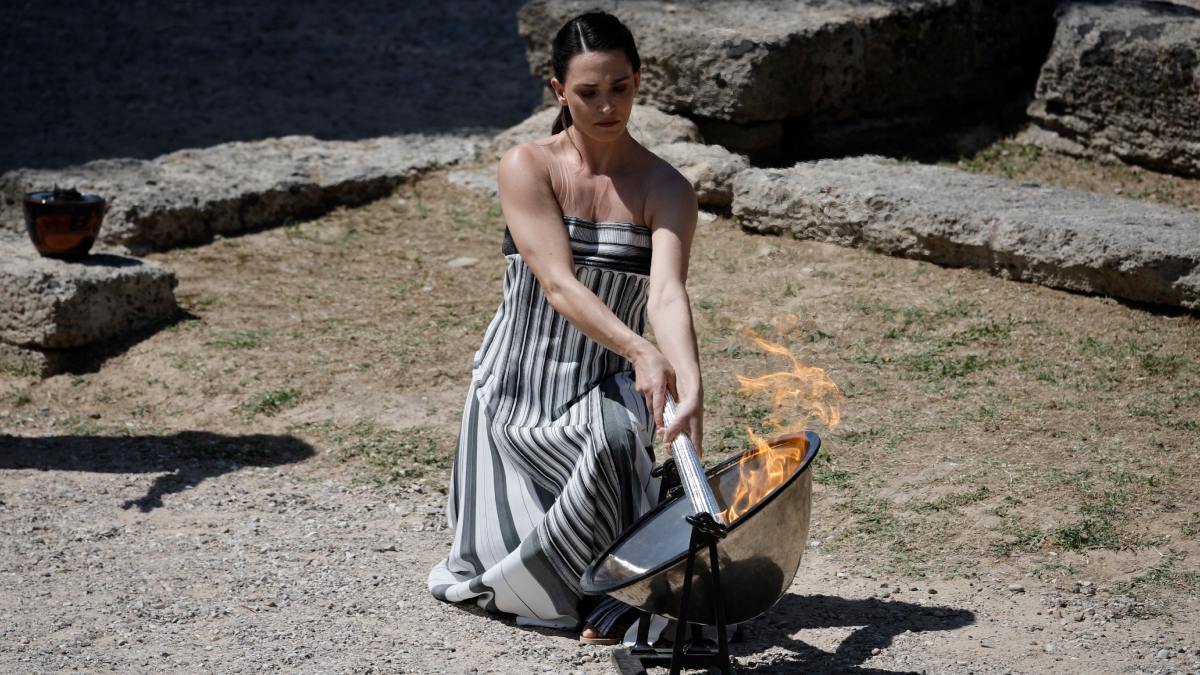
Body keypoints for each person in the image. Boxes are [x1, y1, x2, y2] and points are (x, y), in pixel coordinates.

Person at [427, 10, 703, 645]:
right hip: (517, 379)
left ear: (638, 81)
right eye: (587, 92)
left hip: (605, 378)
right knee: (505, 572)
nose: (607, 106)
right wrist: (642, 350)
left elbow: (666, 292)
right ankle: (568, 583)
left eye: (620, 88)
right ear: (558, 91)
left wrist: (689, 385)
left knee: (609, 438)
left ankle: (609, 592)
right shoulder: (527, 164)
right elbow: (558, 283)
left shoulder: (667, 186)